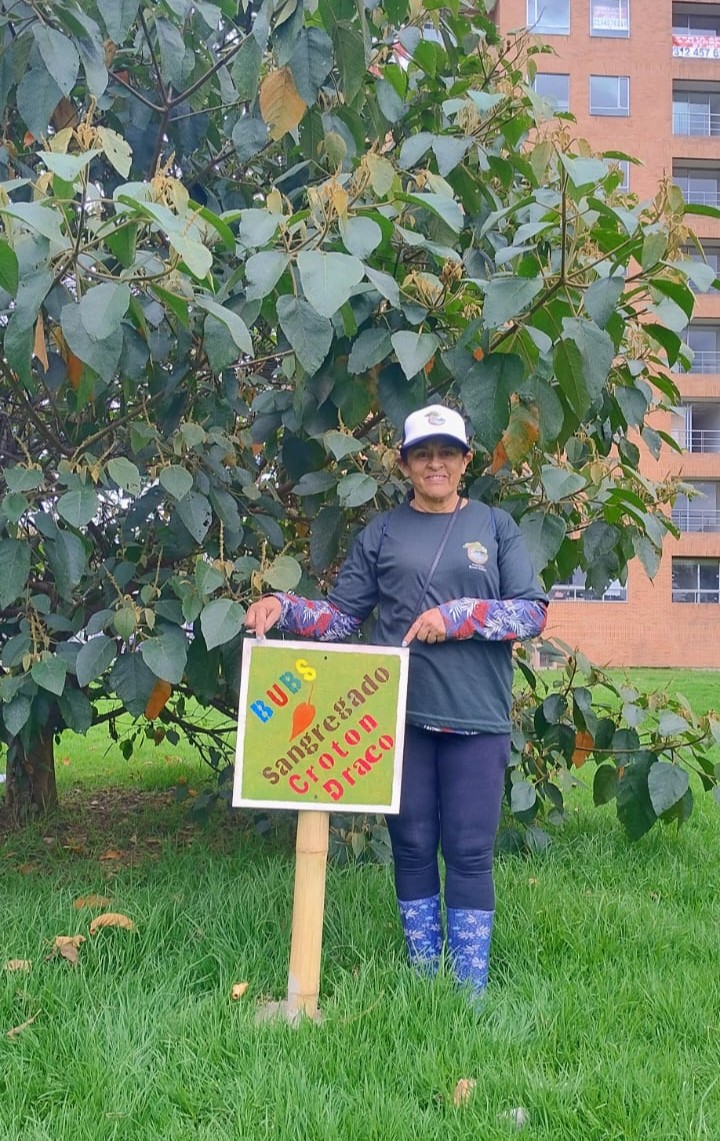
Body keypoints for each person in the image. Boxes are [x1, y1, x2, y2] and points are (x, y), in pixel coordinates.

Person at [245, 404, 548, 999]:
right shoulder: (381, 533)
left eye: (446, 453)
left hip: (476, 715)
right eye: (422, 454)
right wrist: (286, 606)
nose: (435, 463)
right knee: (410, 844)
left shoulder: (494, 526)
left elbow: (532, 611)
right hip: (397, 714)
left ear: (466, 461)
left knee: (468, 848)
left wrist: (459, 615)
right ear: (406, 464)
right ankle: (421, 974)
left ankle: (468, 989)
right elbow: (341, 619)